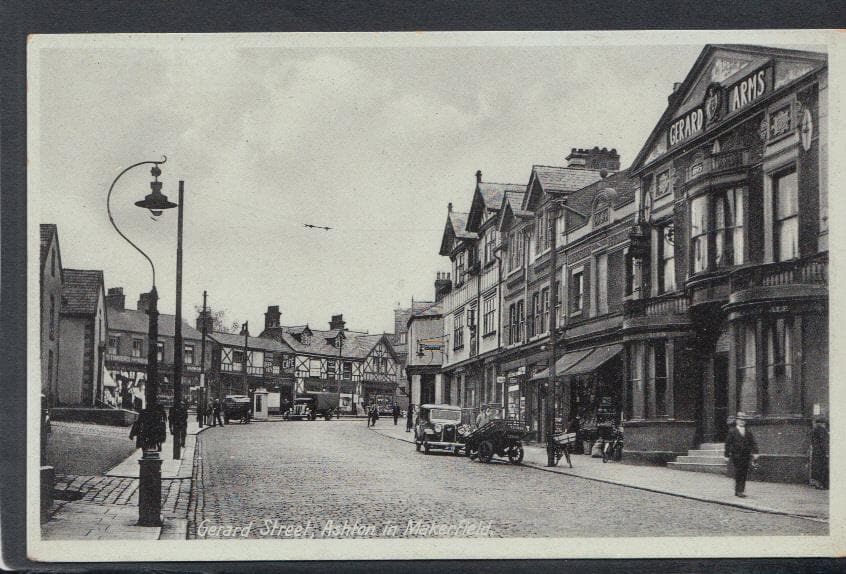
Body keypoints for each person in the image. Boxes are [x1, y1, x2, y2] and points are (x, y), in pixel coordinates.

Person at [724, 412, 759, 498]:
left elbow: (753, 442)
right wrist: (726, 455)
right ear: (737, 421)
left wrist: (756, 452)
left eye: (743, 420)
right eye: (740, 420)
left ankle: (740, 490)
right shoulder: (732, 431)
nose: (742, 422)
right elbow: (727, 444)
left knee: (744, 473)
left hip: (746, 455)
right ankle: (738, 490)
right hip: (736, 455)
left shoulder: (748, 431)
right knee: (738, 472)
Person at [810, 415, 829, 489]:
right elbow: (824, 442)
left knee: (817, 468)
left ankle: (818, 484)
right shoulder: (822, 430)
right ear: (822, 423)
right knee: (823, 468)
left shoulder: (814, 430)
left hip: (816, 452)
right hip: (821, 452)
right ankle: (822, 485)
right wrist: (826, 452)